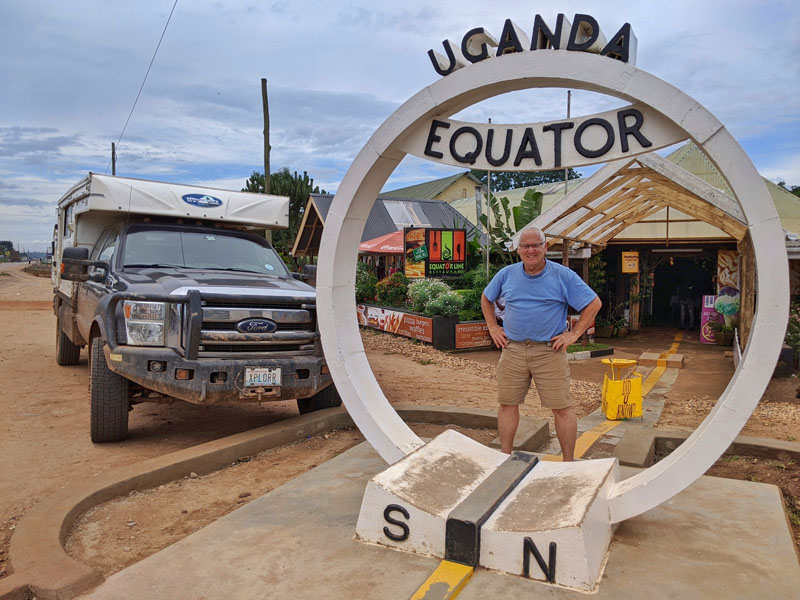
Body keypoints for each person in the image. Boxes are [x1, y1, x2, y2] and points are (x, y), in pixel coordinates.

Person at [481, 227, 601, 460]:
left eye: (536, 245)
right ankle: (504, 456)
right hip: (513, 348)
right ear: (518, 250)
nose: (531, 250)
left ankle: (568, 462)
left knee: (562, 408)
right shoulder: (507, 274)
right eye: (525, 246)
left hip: (549, 351)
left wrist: (573, 335)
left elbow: (593, 303)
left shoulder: (562, 275)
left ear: (545, 247)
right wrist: (493, 327)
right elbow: (486, 298)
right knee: (507, 403)